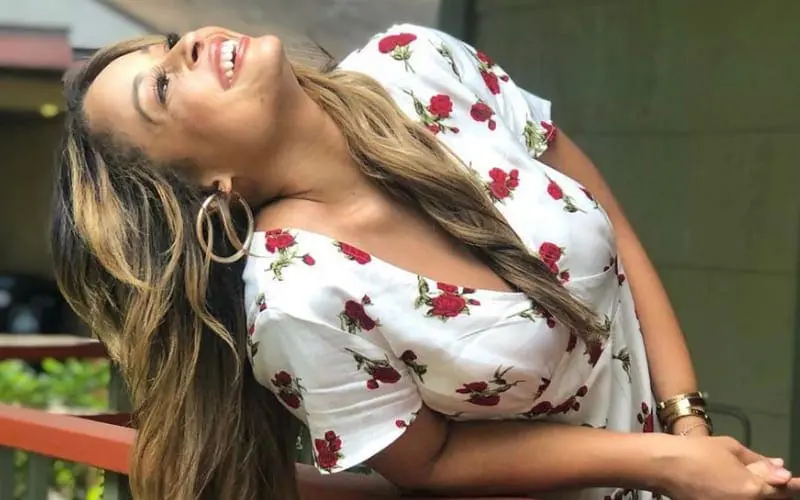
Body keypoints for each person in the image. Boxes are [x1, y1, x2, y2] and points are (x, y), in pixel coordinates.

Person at [50, 22, 799, 500]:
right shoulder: (297, 297)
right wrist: (659, 464)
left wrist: (688, 427)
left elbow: (616, 232)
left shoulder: (417, 62)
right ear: (202, 185)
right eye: (162, 87)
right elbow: (431, 464)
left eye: (167, 44)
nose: (186, 46)